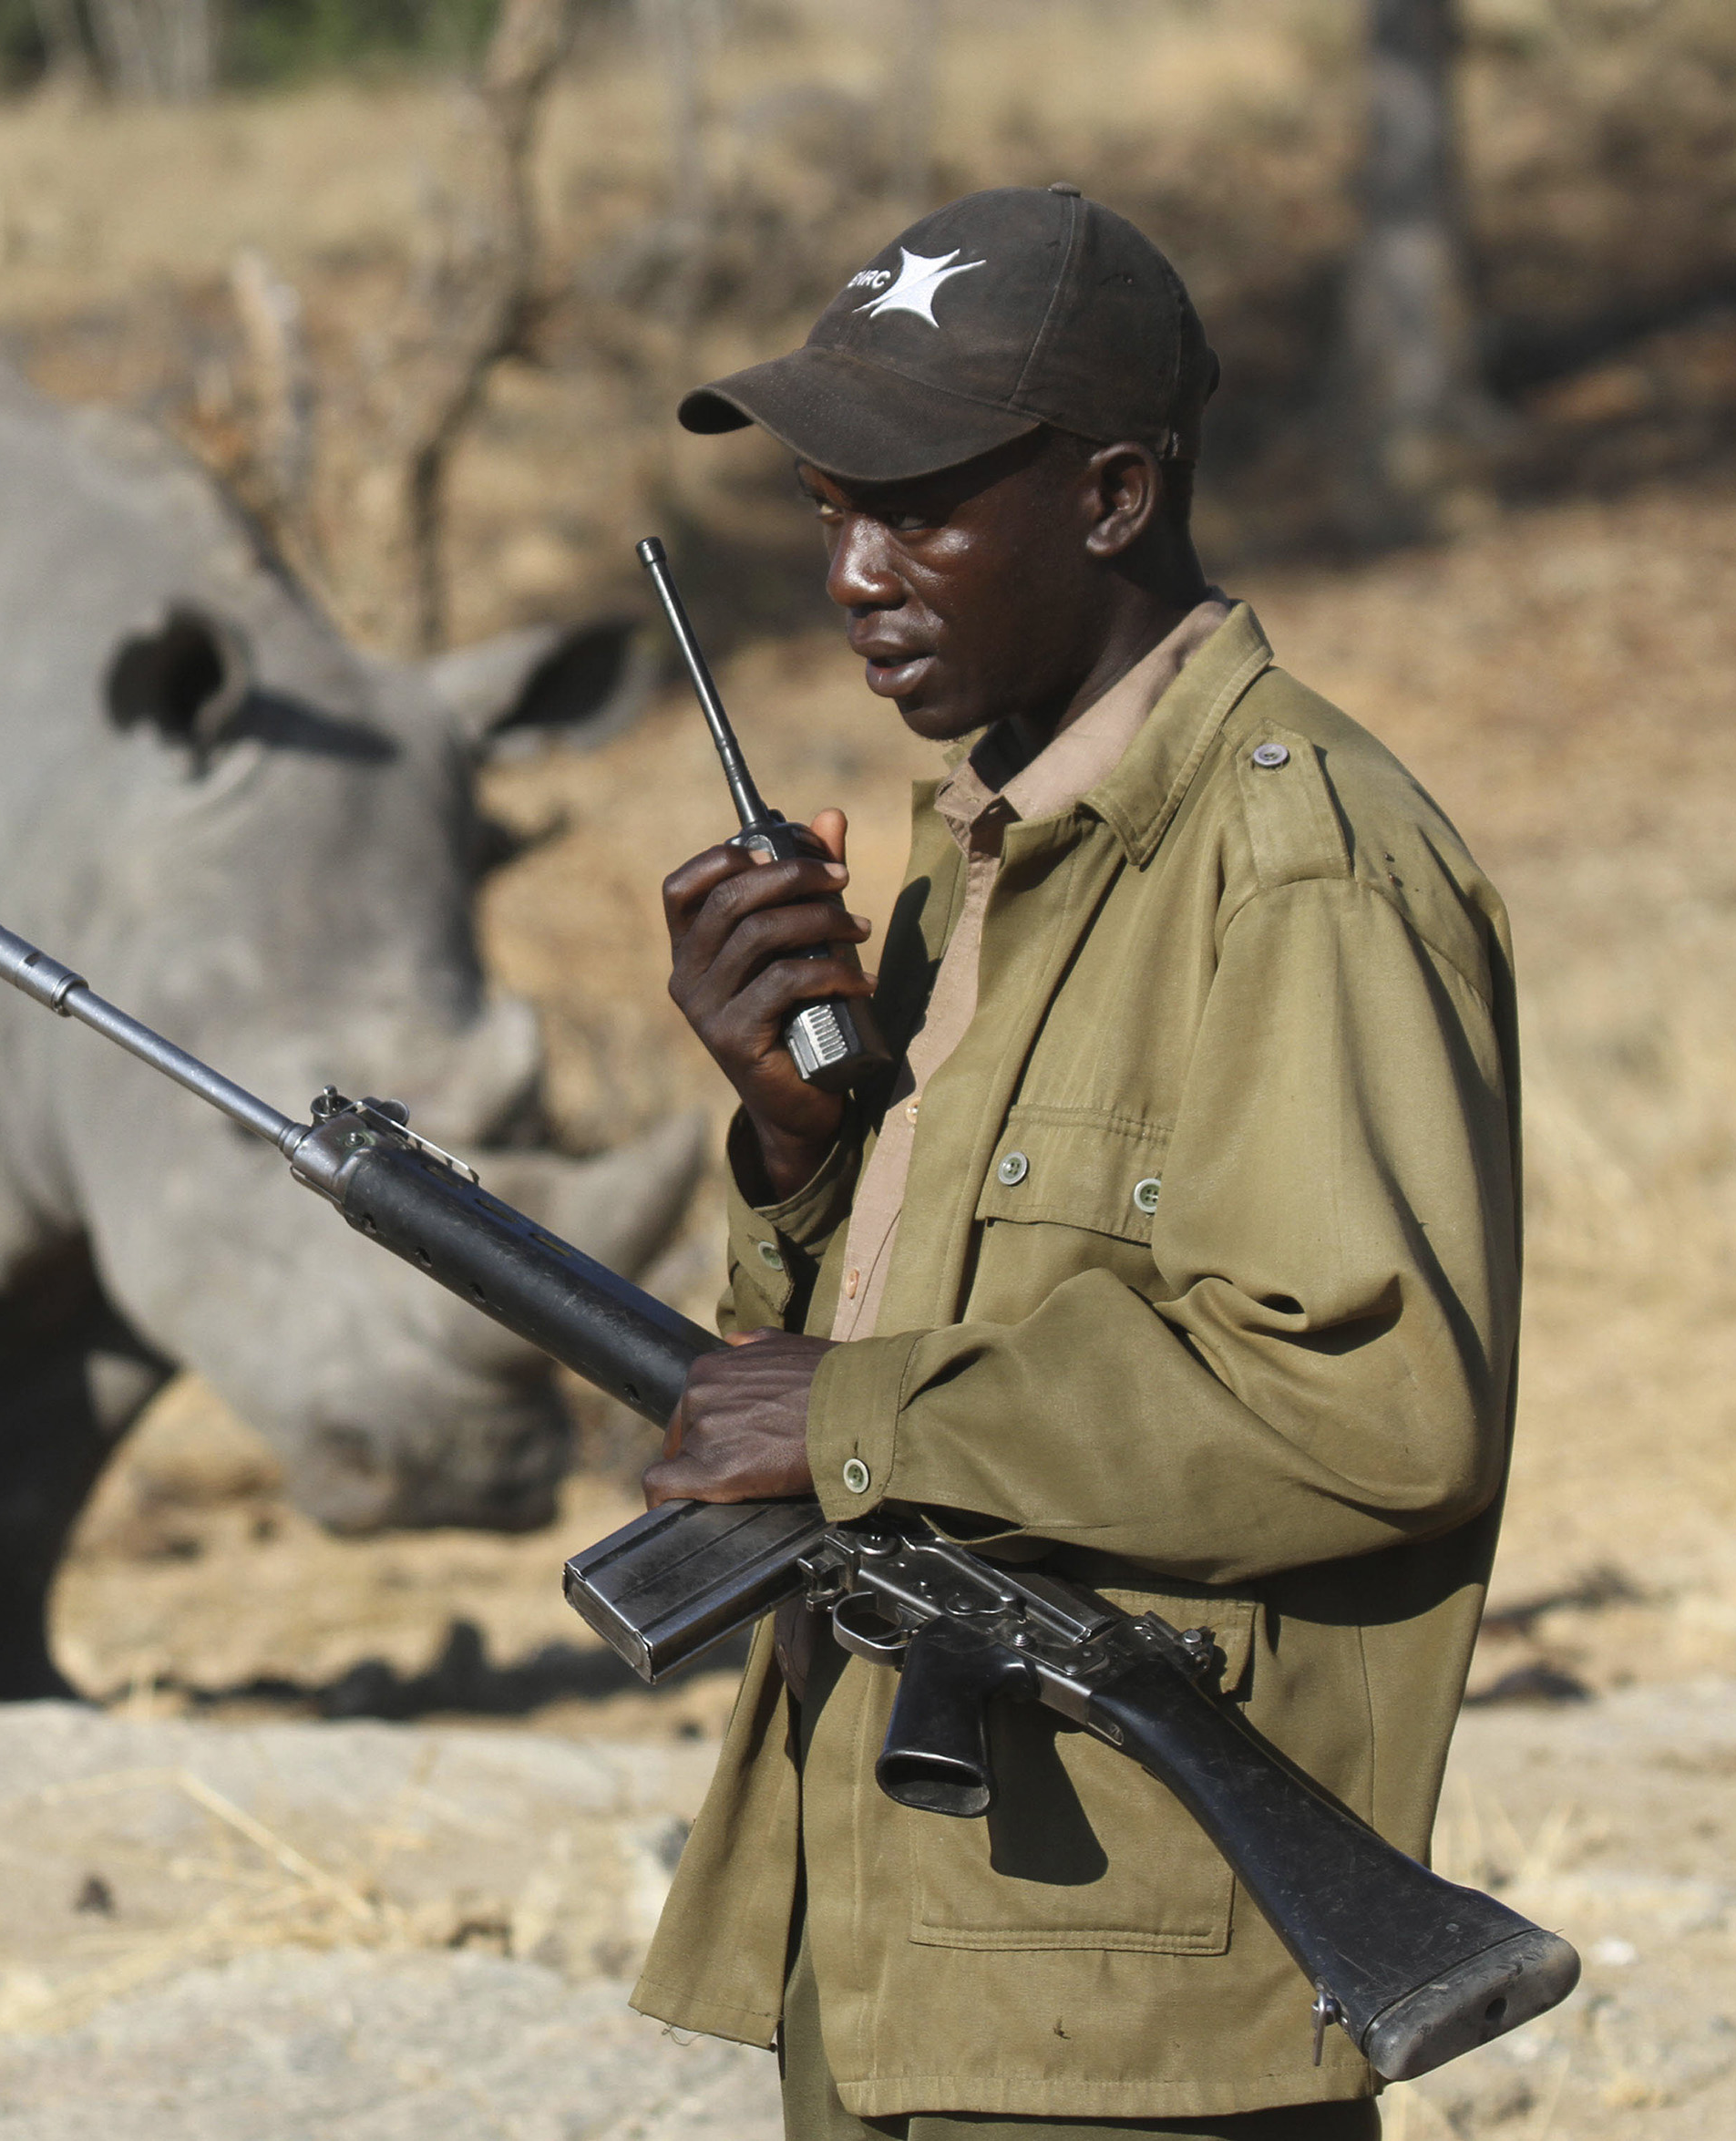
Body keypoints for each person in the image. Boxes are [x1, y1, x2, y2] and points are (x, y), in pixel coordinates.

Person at [627, 185, 1521, 2140]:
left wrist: (858, 1408)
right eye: (823, 509)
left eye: (915, 504)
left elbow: (1370, 1400)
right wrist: (791, 1150)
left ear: (1112, 495)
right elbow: (835, 1395)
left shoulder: (1295, 860)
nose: (852, 570)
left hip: (1119, 2005)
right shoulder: (987, 868)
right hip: (897, 1950)